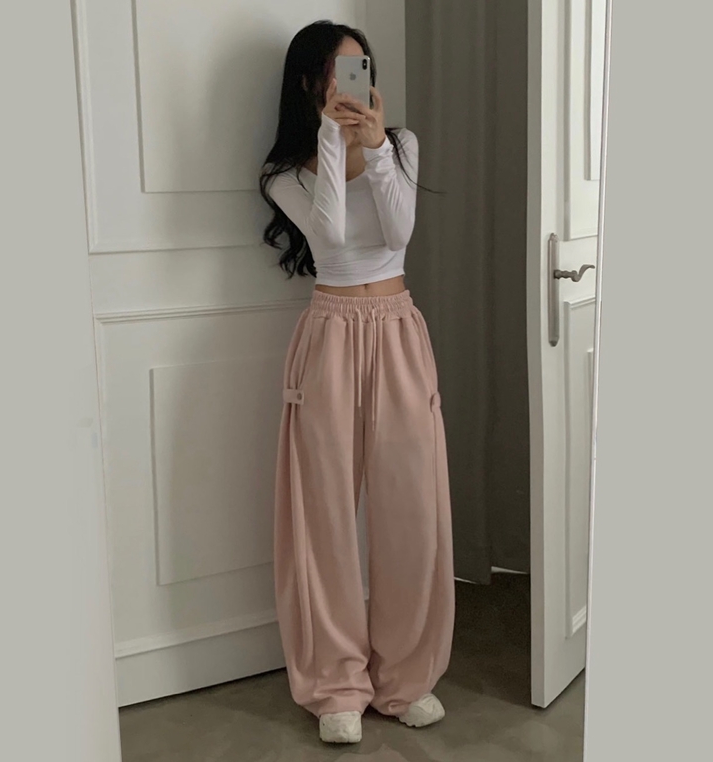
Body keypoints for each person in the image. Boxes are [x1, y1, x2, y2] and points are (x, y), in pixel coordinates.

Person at [259, 20, 455, 745]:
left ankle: (406, 676)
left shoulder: (399, 145)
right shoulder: (286, 173)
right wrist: (333, 143)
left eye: (360, 69)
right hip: (330, 336)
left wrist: (374, 148)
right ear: (310, 82)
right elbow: (333, 239)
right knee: (324, 515)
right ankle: (336, 682)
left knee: (411, 505)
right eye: (337, 72)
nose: (352, 84)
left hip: (399, 330)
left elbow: (398, 234)